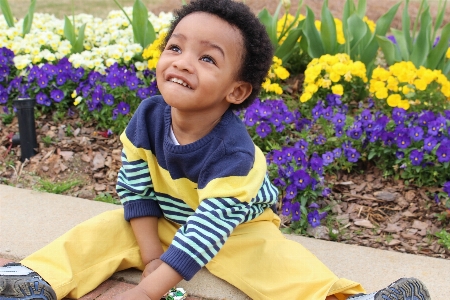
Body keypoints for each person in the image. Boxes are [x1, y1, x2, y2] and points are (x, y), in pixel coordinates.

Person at [0, 0, 431, 299]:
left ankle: (345, 298)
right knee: (104, 229)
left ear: (237, 91)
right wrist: (153, 258)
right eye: (175, 47)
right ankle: (34, 278)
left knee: (274, 263)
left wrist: (149, 291)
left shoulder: (234, 153)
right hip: (169, 216)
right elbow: (134, 189)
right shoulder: (147, 117)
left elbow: (209, 229)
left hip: (235, 229)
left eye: (208, 59)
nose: (183, 61)